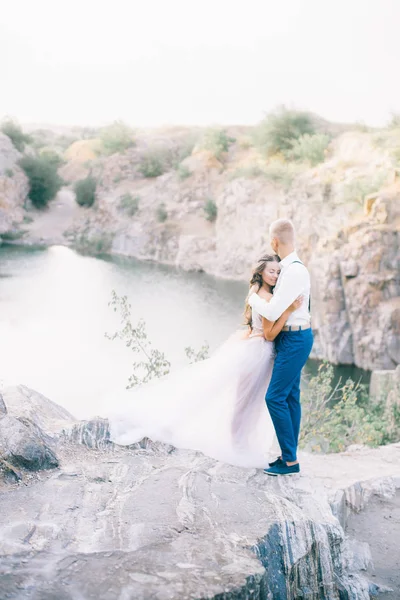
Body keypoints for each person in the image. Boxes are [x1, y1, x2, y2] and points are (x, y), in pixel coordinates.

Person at [106, 255, 302, 468]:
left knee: (246, 400)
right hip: (258, 352)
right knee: (246, 401)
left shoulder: (260, 293)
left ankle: (239, 441)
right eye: (271, 271)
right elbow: (269, 334)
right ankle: (238, 443)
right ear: (261, 272)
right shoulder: (264, 298)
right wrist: (289, 311)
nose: (275, 275)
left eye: (278, 272)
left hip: (255, 349)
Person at [247, 218, 313, 476]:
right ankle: (289, 456)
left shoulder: (294, 270)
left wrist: (253, 298)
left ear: (274, 242)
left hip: (295, 338)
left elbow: (273, 310)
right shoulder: (288, 268)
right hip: (289, 338)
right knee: (289, 397)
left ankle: (289, 462)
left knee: (274, 397)